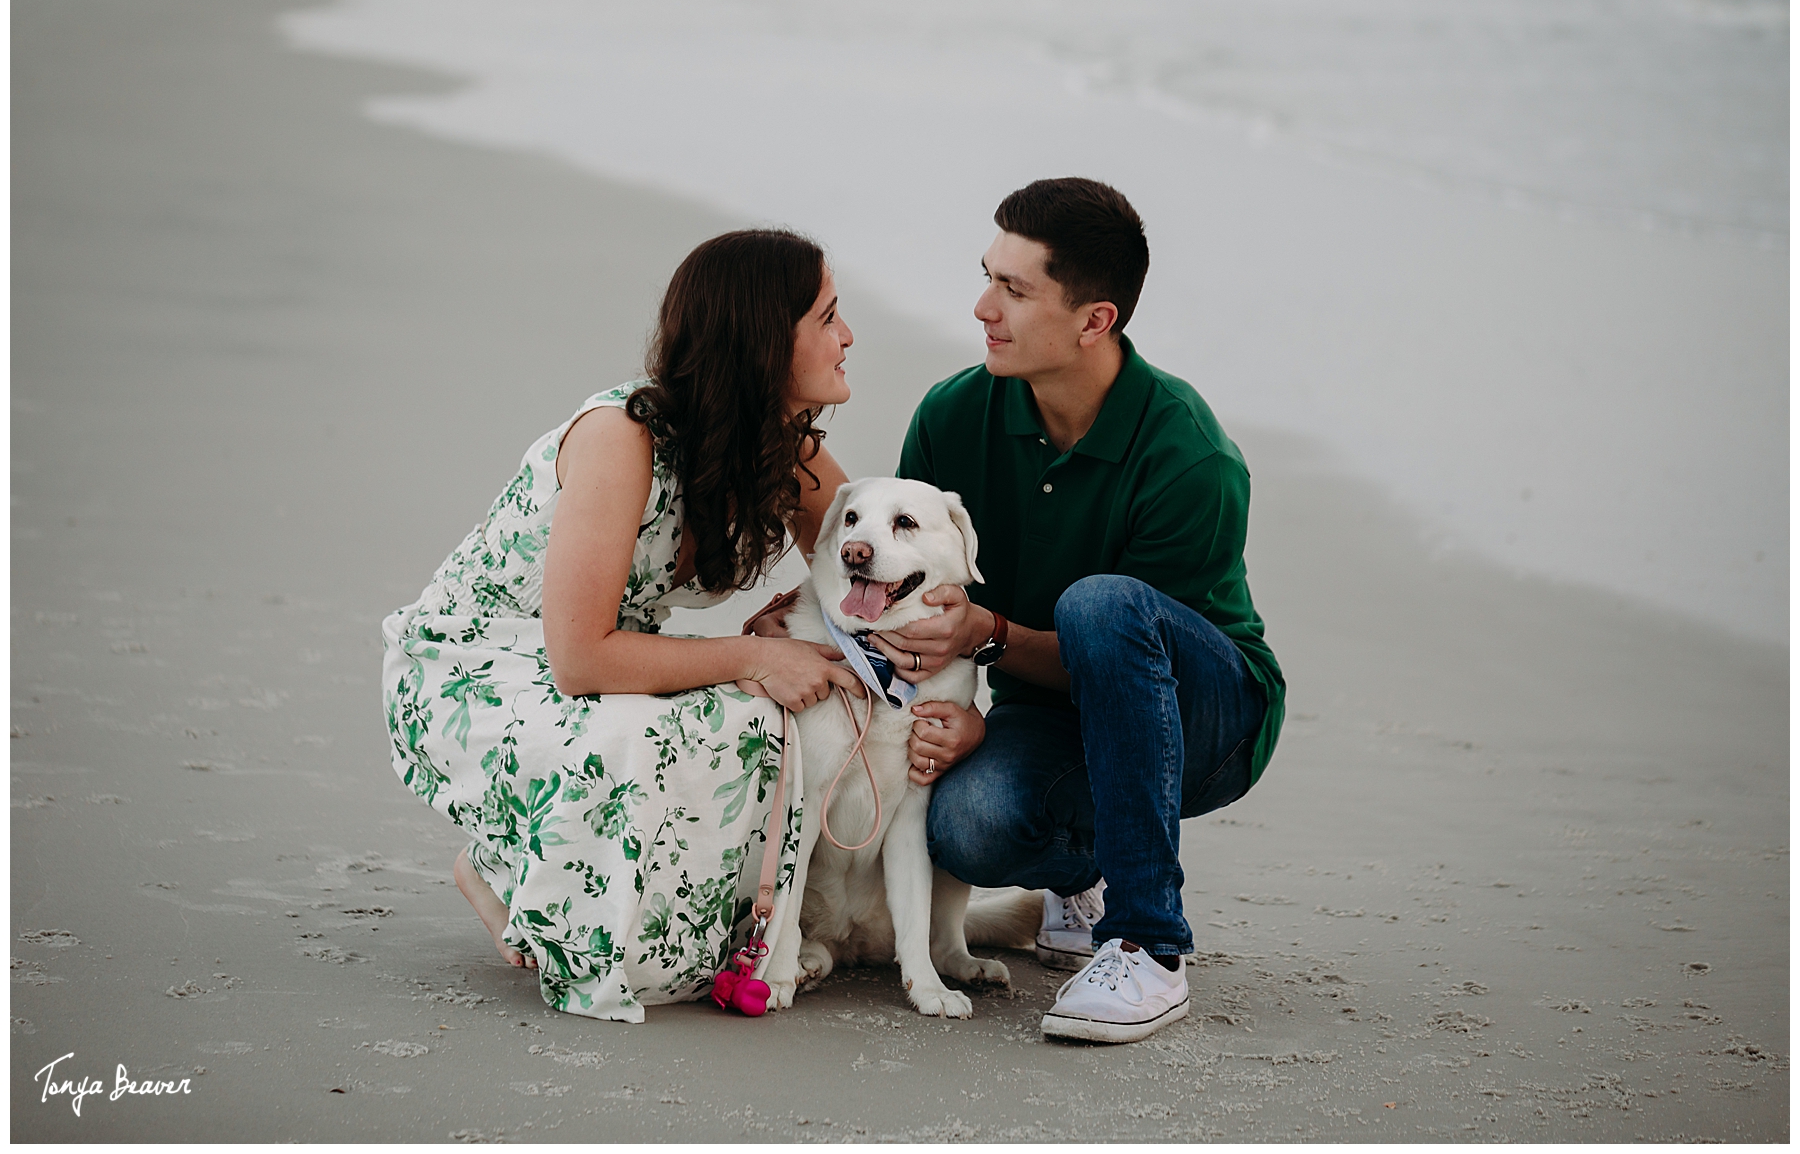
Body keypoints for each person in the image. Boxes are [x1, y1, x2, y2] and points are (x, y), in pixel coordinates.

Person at [380, 229, 984, 1023]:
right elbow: (578, 658)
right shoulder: (621, 438)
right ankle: (506, 869)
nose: (847, 336)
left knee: (763, 723)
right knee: (701, 719)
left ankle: (644, 907)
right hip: (484, 664)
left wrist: (955, 650)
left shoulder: (781, 447)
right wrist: (752, 652)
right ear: (767, 341)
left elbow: (856, 562)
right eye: (828, 316)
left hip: (604, 650)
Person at [872, 178, 1285, 1044]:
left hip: (1207, 721)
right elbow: (917, 593)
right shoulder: (953, 417)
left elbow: (1123, 660)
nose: (983, 307)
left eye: (1014, 291)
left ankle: (1149, 944)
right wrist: (808, 617)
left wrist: (987, 635)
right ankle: (1082, 870)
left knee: (1100, 608)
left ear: (1095, 320)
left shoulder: (1188, 455)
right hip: (1045, 709)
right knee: (966, 826)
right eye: (988, 275)